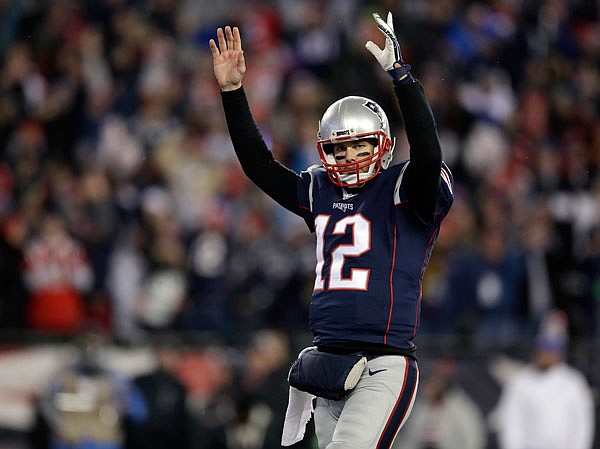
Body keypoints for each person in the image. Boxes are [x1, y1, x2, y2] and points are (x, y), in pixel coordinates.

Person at [210, 11, 453, 449]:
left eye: (360, 144)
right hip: (330, 361)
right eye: (339, 148)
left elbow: (428, 154)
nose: (350, 156)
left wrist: (402, 78)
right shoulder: (319, 189)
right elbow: (259, 166)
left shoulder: (401, 188)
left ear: (381, 145)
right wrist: (233, 92)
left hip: (384, 361)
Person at [495, 310, 595, 449]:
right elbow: (511, 421)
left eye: (551, 349)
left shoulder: (574, 382)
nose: (546, 354)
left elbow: (582, 425)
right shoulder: (522, 381)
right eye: (543, 348)